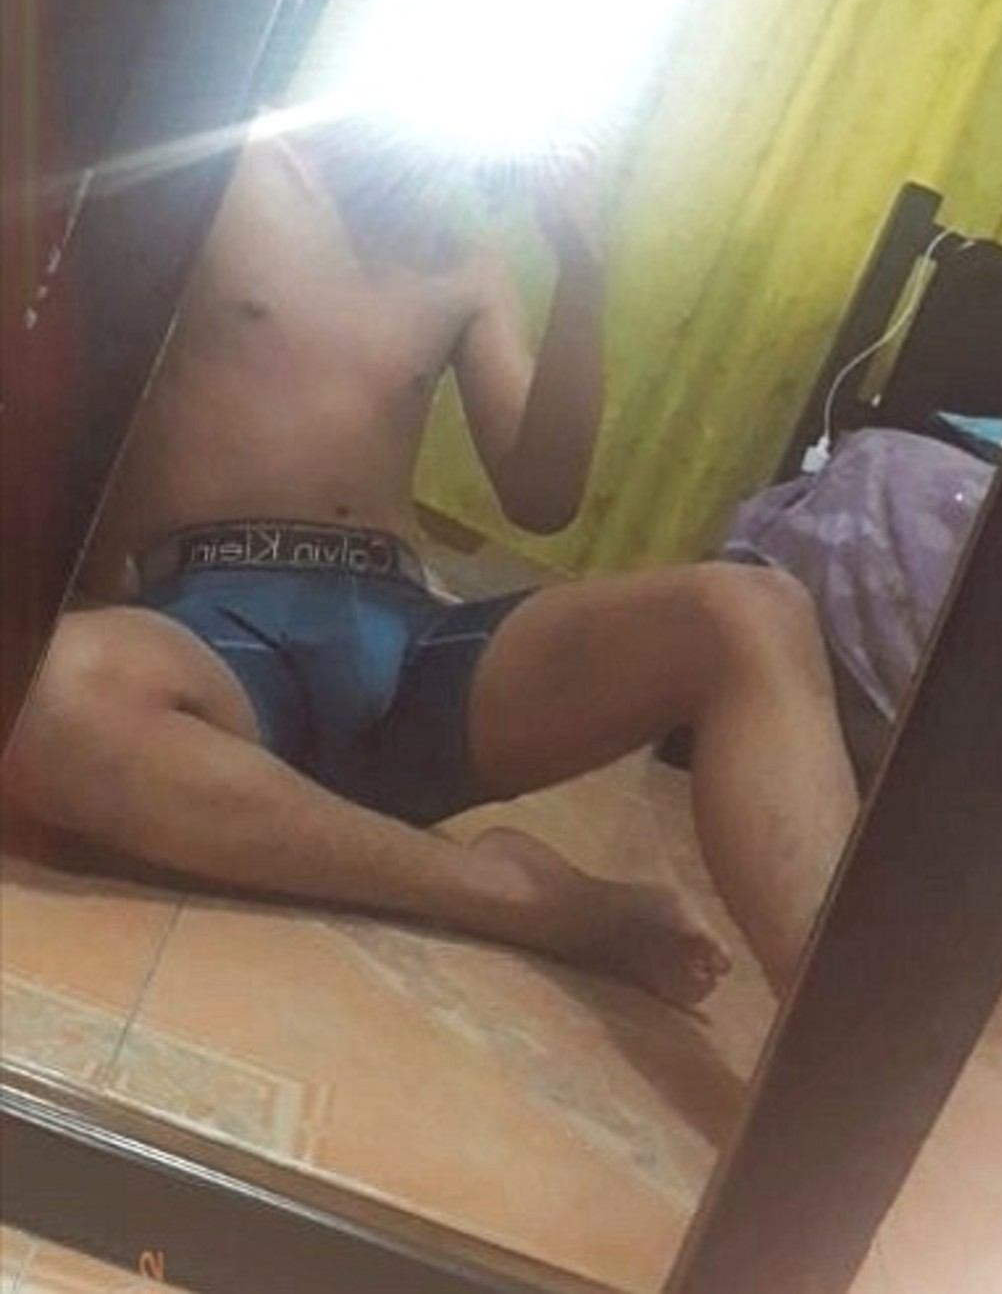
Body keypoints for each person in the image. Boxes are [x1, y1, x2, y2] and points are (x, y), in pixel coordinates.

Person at [3, 116, 859, 1008]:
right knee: (51, 699)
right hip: (213, 633)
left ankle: (840, 1029)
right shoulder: (230, 168)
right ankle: (517, 898)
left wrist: (582, 270)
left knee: (754, 609)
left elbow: (543, 494)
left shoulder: (470, 268)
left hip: (410, 643)